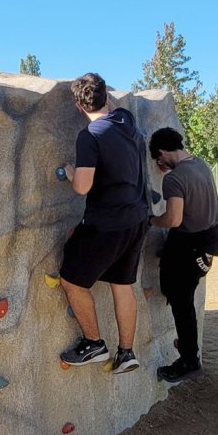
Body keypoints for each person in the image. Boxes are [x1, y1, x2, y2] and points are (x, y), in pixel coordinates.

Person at [59, 73, 149, 374]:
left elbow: (83, 187)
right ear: (107, 97)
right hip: (137, 219)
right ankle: (127, 352)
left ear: (77, 105)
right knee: (122, 285)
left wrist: (72, 175)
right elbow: (114, 109)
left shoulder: (91, 135)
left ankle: (94, 343)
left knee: (71, 280)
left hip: (106, 223)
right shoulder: (126, 120)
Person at [149, 127, 218, 383]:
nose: (159, 165)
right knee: (184, 297)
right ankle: (188, 346)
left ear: (161, 152)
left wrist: (151, 219)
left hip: (188, 247)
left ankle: (189, 361)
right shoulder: (200, 165)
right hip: (211, 239)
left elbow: (173, 218)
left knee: (181, 303)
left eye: (158, 160)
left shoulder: (174, 179)